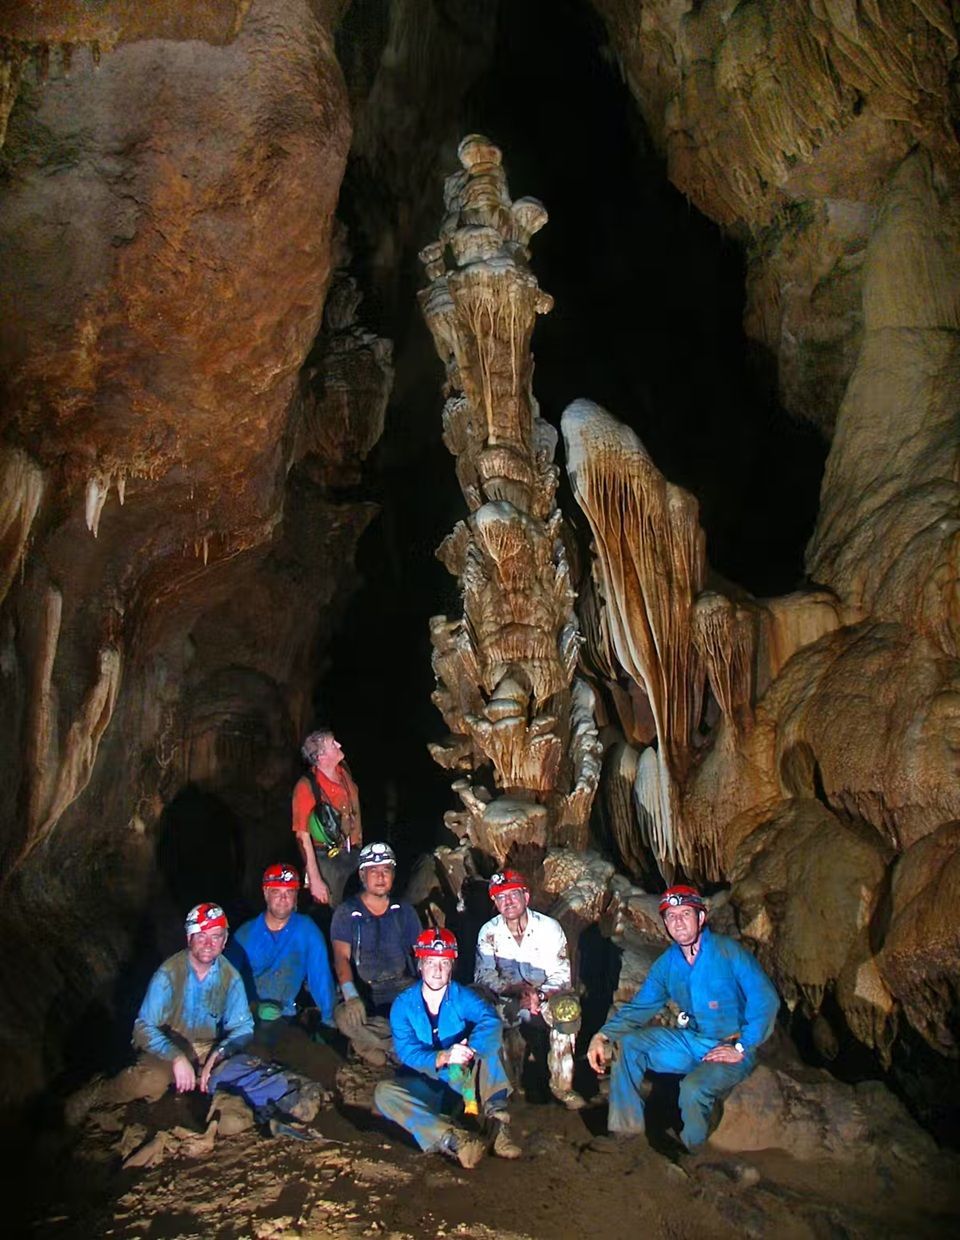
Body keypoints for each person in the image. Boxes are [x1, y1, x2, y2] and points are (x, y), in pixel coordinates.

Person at [66, 904, 324, 1131]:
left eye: (216, 937)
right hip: (169, 1045)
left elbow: (242, 1026)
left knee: (250, 1066)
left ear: (224, 942)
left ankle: (285, 1092)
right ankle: (98, 1093)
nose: (208, 944)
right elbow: (142, 1027)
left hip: (209, 1048)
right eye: (201, 936)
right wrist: (176, 1058)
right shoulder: (169, 974)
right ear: (189, 938)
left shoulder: (230, 977)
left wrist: (219, 1052)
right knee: (151, 1081)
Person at [586, 884, 780, 1151]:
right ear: (664, 923)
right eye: (671, 916)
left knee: (692, 1088)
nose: (678, 922)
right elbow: (640, 1007)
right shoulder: (668, 963)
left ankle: (692, 1148)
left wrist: (742, 1046)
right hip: (691, 1042)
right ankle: (624, 1129)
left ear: (700, 918)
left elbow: (765, 999)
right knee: (628, 1045)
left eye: (685, 914)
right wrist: (604, 1035)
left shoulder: (727, 952)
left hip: (731, 1045)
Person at [374, 929, 521, 1168]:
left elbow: (490, 1020)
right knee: (383, 1093)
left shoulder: (461, 997)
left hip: (461, 1080)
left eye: (444, 963)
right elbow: (407, 1051)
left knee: (491, 1046)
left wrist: (469, 1050)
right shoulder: (403, 1005)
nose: (438, 970)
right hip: (427, 1082)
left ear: (451, 966)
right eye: (431, 962)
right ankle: (453, 1139)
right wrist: (442, 1056)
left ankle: (499, 1125)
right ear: (420, 965)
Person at [474, 869, 583, 1108]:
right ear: (495, 902)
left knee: (567, 1010)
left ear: (526, 896)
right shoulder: (488, 932)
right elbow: (484, 974)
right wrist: (514, 990)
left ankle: (562, 1086)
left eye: (513, 894)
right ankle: (503, 1086)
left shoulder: (549, 928)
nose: (508, 902)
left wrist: (540, 994)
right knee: (482, 1012)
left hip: (546, 995)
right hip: (508, 997)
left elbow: (562, 973)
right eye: (501, 897)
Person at [227, 863, 337, 1050]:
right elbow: (226, 981)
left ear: (296, 897)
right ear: (265, 893)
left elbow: (320, 977)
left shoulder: (306, 930)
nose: (283, 899)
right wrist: (252, 1007)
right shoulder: (245, 934)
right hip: (247, 1015)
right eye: (276, 892)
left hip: (286, 1015)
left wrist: (328, 1019)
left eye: (289, 892)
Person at [329, 842, 421, 1067]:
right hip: (366, 990)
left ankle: (377, 1048)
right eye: (374, 871)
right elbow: (341, 957)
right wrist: (351, 995)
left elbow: (422, 954)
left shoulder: (404, 911)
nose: (380, 877)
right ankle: (400, 1048)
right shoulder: (347, 913)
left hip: (403, 987)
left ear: (393, 875)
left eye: (386, 871)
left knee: (428, 1012)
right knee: (345, 1018)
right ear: (362, 875)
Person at [292, 730, 362, 907]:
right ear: (321, 755)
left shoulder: (343, 770)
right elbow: (302, 835)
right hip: (326, 860)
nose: (339, 745)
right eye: (333, 744)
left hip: (353, 853)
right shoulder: (306, 786)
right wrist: (315, 879)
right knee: (332, 910)